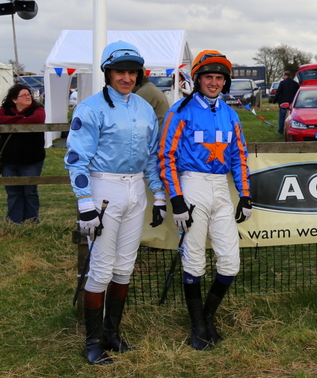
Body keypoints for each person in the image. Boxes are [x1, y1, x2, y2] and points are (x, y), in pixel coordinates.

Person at [64, 40, 166, 365]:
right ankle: (92, 342)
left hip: (135, 190)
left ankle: (112, 334)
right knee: (101, 268)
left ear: (139, 74)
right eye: (120, 71)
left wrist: (159, 194)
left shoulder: (144, 107)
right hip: (103, 189)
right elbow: (76, 158)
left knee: (124, 268)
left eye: (132, 72)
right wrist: (84, 201)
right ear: (108, 73)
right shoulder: (90, 107)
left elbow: (151, 157)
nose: (126, 77)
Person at [159, 50, 252, 350]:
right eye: (208, 77)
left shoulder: (230, 113)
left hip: (221, 188)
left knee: (230, 263)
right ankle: (197, 326)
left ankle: (207, 317)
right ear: (197, 79)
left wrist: (245, 195)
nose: (213, 83)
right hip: (192, 185)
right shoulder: (180, 111)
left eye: (219, 78)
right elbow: (166, 157)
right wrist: (176, 199)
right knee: (194, 259)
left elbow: (239, 156)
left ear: (225, 82)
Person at [0, 84, 46, 224]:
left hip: (32, 159)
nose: (28, 97)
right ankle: (14, 222)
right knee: (13, 192)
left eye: (28, 94)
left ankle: (31, 221)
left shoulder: (37, 110)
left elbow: (36, 120)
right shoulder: (4, 110)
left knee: (30, 192)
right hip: (9, 160)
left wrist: (13, 120)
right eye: (24, 95)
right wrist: (21, 118)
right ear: (14, 99)